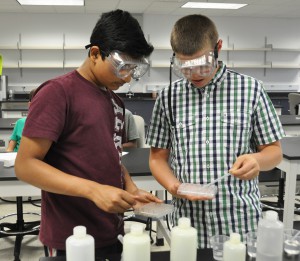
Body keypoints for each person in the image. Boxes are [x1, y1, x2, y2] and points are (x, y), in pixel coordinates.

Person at [15, 9, 161, 259]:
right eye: (122, 68)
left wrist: (131, 187)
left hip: (110, 231)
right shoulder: (57, 93)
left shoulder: (115, 101)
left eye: (134, 70)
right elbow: (26, 165)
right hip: (71, 237)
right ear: (95, 53)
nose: (127, 78)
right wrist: (94, 190)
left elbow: (111, 155)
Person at [146, 14, 285, 248]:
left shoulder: (251, 90)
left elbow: (274, 152)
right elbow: (157, 158)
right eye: (185, 67)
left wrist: (257, 160)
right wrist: (174, 187)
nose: (195, 74)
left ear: (218, 47)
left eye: (203, 64)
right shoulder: (168, 98)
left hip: (239, 222)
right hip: (187, 224)